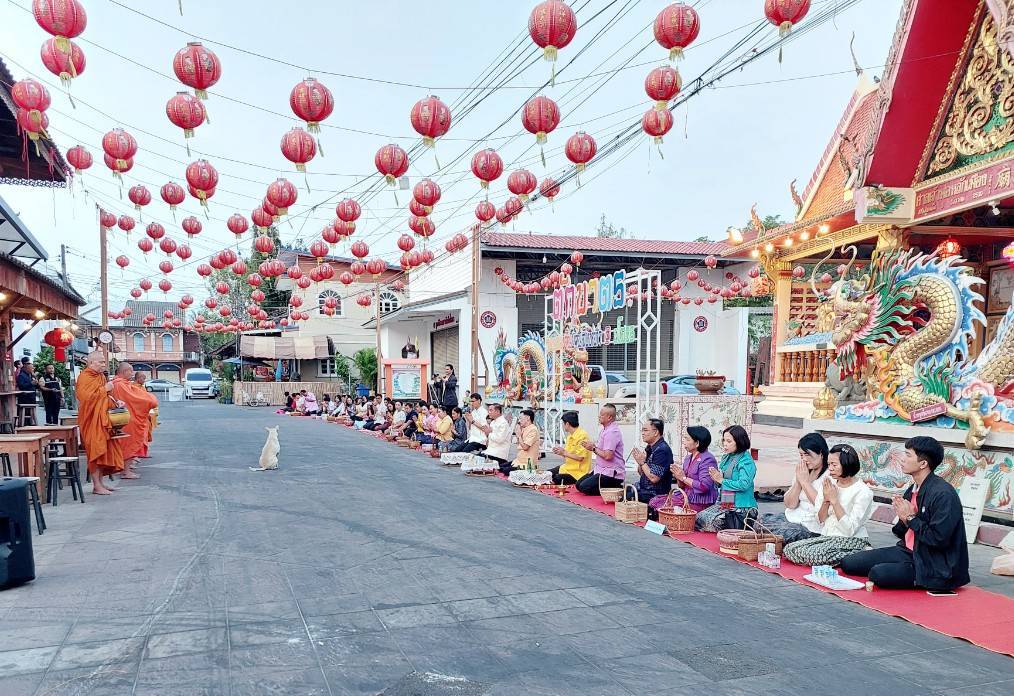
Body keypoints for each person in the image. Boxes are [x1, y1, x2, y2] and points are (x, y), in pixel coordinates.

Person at [840, 436, 969, 593]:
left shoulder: (943, 494)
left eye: (908, 455)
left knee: (878, 574)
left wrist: (910, 518)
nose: (902, 459)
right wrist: (903, 517)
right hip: (909, 551)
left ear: (923, 464)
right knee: (849, 563)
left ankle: (922, 579)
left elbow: (938, 539)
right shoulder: (914, 488)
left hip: (935, 563)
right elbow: (902, 532)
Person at [784, 444, 874, 566]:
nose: (830, 468)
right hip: (827, 536)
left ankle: (856, 553)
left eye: (834, 465)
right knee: (790, 549)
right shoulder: (829, 482)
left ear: (847, 464)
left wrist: (834, 501)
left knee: (810, 554)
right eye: (829, 464)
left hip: (850, 539)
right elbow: (820, 519)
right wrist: (826, 501)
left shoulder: (863, 492)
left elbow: (849, 530)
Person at [760, 433, 830, 544]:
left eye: (807, 455)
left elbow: (820, 505)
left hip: (812, 525)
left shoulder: (829, 475)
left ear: (821, 453)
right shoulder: (803, 470)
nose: (804, 459)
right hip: (793, 517)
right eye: (801, 455)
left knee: (779, 535)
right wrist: (798, 481)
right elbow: (790, 504)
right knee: (759, 522)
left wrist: (805, 482)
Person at [76, 351, 124, 495]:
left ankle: (101, 483)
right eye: (101, 362)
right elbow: (86, 398)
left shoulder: (101, 377)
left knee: (103, 451)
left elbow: (104, 398)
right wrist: (105, 389)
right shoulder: (84, 377)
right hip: (91, 420)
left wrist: (116, 402)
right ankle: (96, 485)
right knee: (95, 452)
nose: (104, 364)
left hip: (103, 419)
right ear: (91, 363)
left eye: (104, 362)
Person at [696, 425, 757, 531]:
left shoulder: (746, 461)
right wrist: (715, 479)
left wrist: (721, 480)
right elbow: (721, 483)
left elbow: (744, 485)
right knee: (699, 518)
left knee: (708, 521)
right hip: (726, 503)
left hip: (742, 507)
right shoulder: (726, 457)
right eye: (724, 440)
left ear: (739, 441)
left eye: (729, 441)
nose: (725, 444)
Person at [110, 362, 158, 480]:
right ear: (125, 371)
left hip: (125, 418)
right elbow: (135, 398)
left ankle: (126, 469)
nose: (132, 374)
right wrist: (151, 400)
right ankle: (126, 471)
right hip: (127, 419)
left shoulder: (120, 384)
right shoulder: (120, 385)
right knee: (128, 444)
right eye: (130, 371)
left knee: (126, 444)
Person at [575, 404, 625, 496]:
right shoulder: (604, 430)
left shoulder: (612, 432)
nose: (599, 416)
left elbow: (608, 456)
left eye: (601, 414)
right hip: (600, 469)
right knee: (578, 485)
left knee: (584, 487)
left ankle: (614, 489)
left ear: (609, 417)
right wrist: (592, 446)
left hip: (611, 474)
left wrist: (593, 448)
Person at [630, 419, 674, 518]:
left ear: (655, 432)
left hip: (656, 493)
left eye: (645, 430)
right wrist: (640, 463)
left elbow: (654, 478)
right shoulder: (650, 447)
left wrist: (643, 462)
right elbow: (642, 473)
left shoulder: (662, 450)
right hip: (645, 488)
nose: (642, 433)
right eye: (642, 430)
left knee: (628, 496)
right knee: (626, 492)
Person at [669, 426, 719, 512]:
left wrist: (683, 478)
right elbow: (682, 486)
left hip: (700, 502)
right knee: (658, 503)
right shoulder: (688, 458)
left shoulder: (708, 459)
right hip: (686, 497)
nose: (683, 441)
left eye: (687, 439)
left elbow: (704, 486)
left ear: (697, 443)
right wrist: (678, 476)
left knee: (668, 508)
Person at [549, 411, 592, 485]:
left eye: (563, 423)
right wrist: (560, 452)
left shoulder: (582, 436)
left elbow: (580, 457)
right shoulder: (570, 436)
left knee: (556, 478)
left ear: (567, 424)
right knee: (548, 473)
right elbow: (568, 454)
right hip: (568, 468)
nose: (563, 426)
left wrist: (564, 452)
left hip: (578, 473)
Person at [134, 371, 157, 457]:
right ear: (138, 378)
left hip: (145, 414)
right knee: (141, 434)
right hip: (138, 415)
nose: (144, 380)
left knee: (145, 433)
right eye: (143, 378)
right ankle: (139, 453)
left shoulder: (142, 387)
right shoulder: (134, 387)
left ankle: (143, 452)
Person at [483, 403, 512, 470]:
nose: (489, 412)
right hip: (490, 451)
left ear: (498, 412)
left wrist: (489, 433)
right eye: (488, 410)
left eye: (491, 410)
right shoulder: (493, 422)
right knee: (475, 458)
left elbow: (499, 439)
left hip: (498, 454)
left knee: (478, 460)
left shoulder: (503, 423)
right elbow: (489, 441)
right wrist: (487, 434)